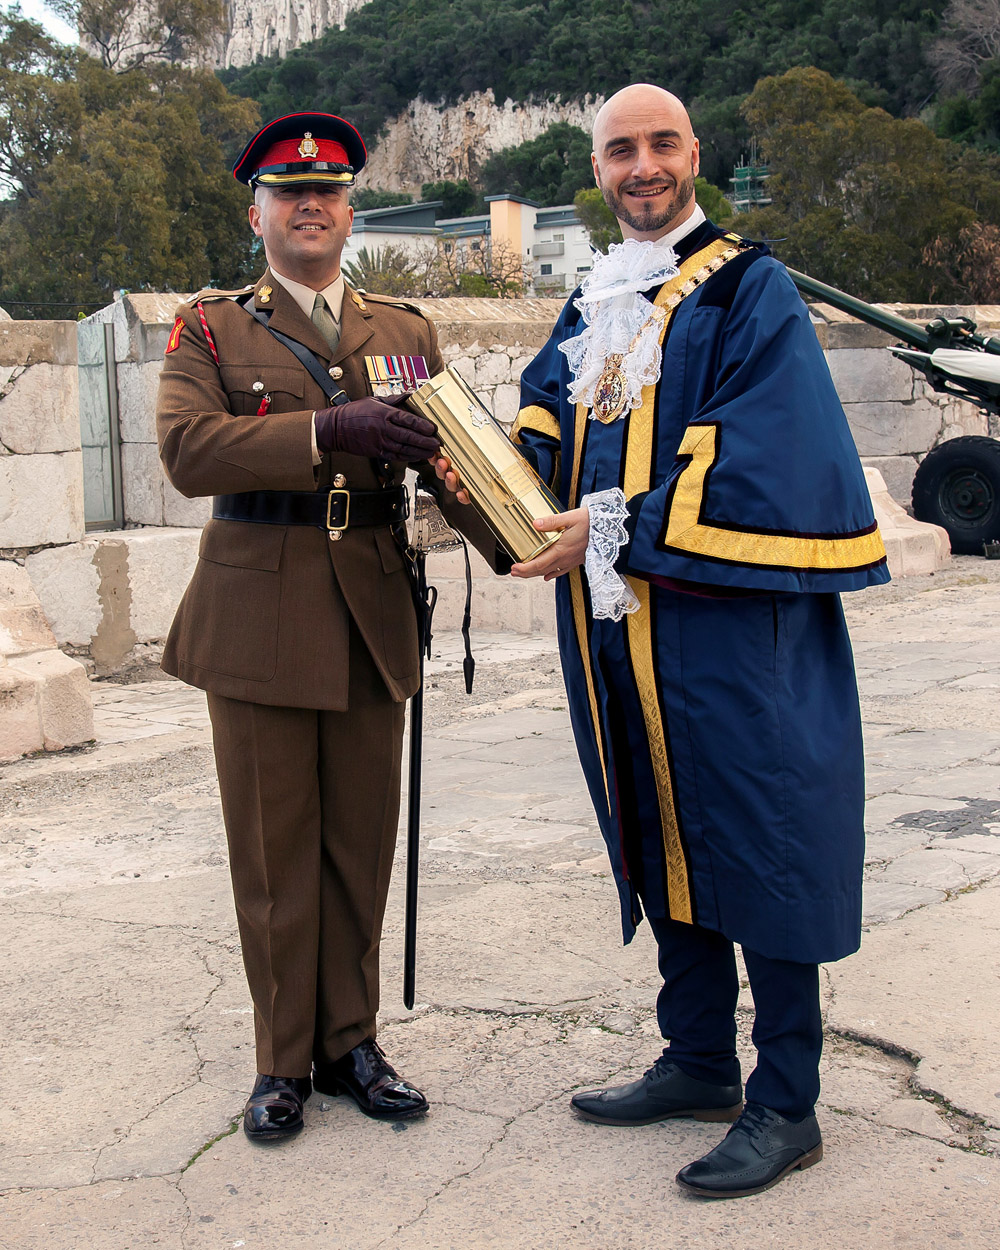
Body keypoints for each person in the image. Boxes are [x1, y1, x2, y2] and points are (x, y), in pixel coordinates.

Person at [503, 84, 889, 1197]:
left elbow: (771, 456)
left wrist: (613, 524)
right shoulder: (593, 297)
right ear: (599, 168)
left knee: (761, 835)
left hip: (731, 627)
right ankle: (698, 1057)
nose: (641, 166)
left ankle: (786, 1101)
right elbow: (546, 412)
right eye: (619, 149)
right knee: (653, 815)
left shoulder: (749, 289)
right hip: (622, 625)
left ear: (693, 154)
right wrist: (490, 470)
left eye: (660, 143)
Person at [156, 112, 486, 1143]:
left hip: (369, 609)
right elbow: (188, 450)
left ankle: (351, 1042)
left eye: (331, 191)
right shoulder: (211, 326)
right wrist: (322, 428)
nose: (311, 205)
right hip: (257, 613)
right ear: (256, 211)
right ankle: (278, 1059)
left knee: (358, 843)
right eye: (290, 192)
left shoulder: (404, 331)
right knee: (273, 850)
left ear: (351, 212)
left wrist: (523, 530)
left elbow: (456, 461)